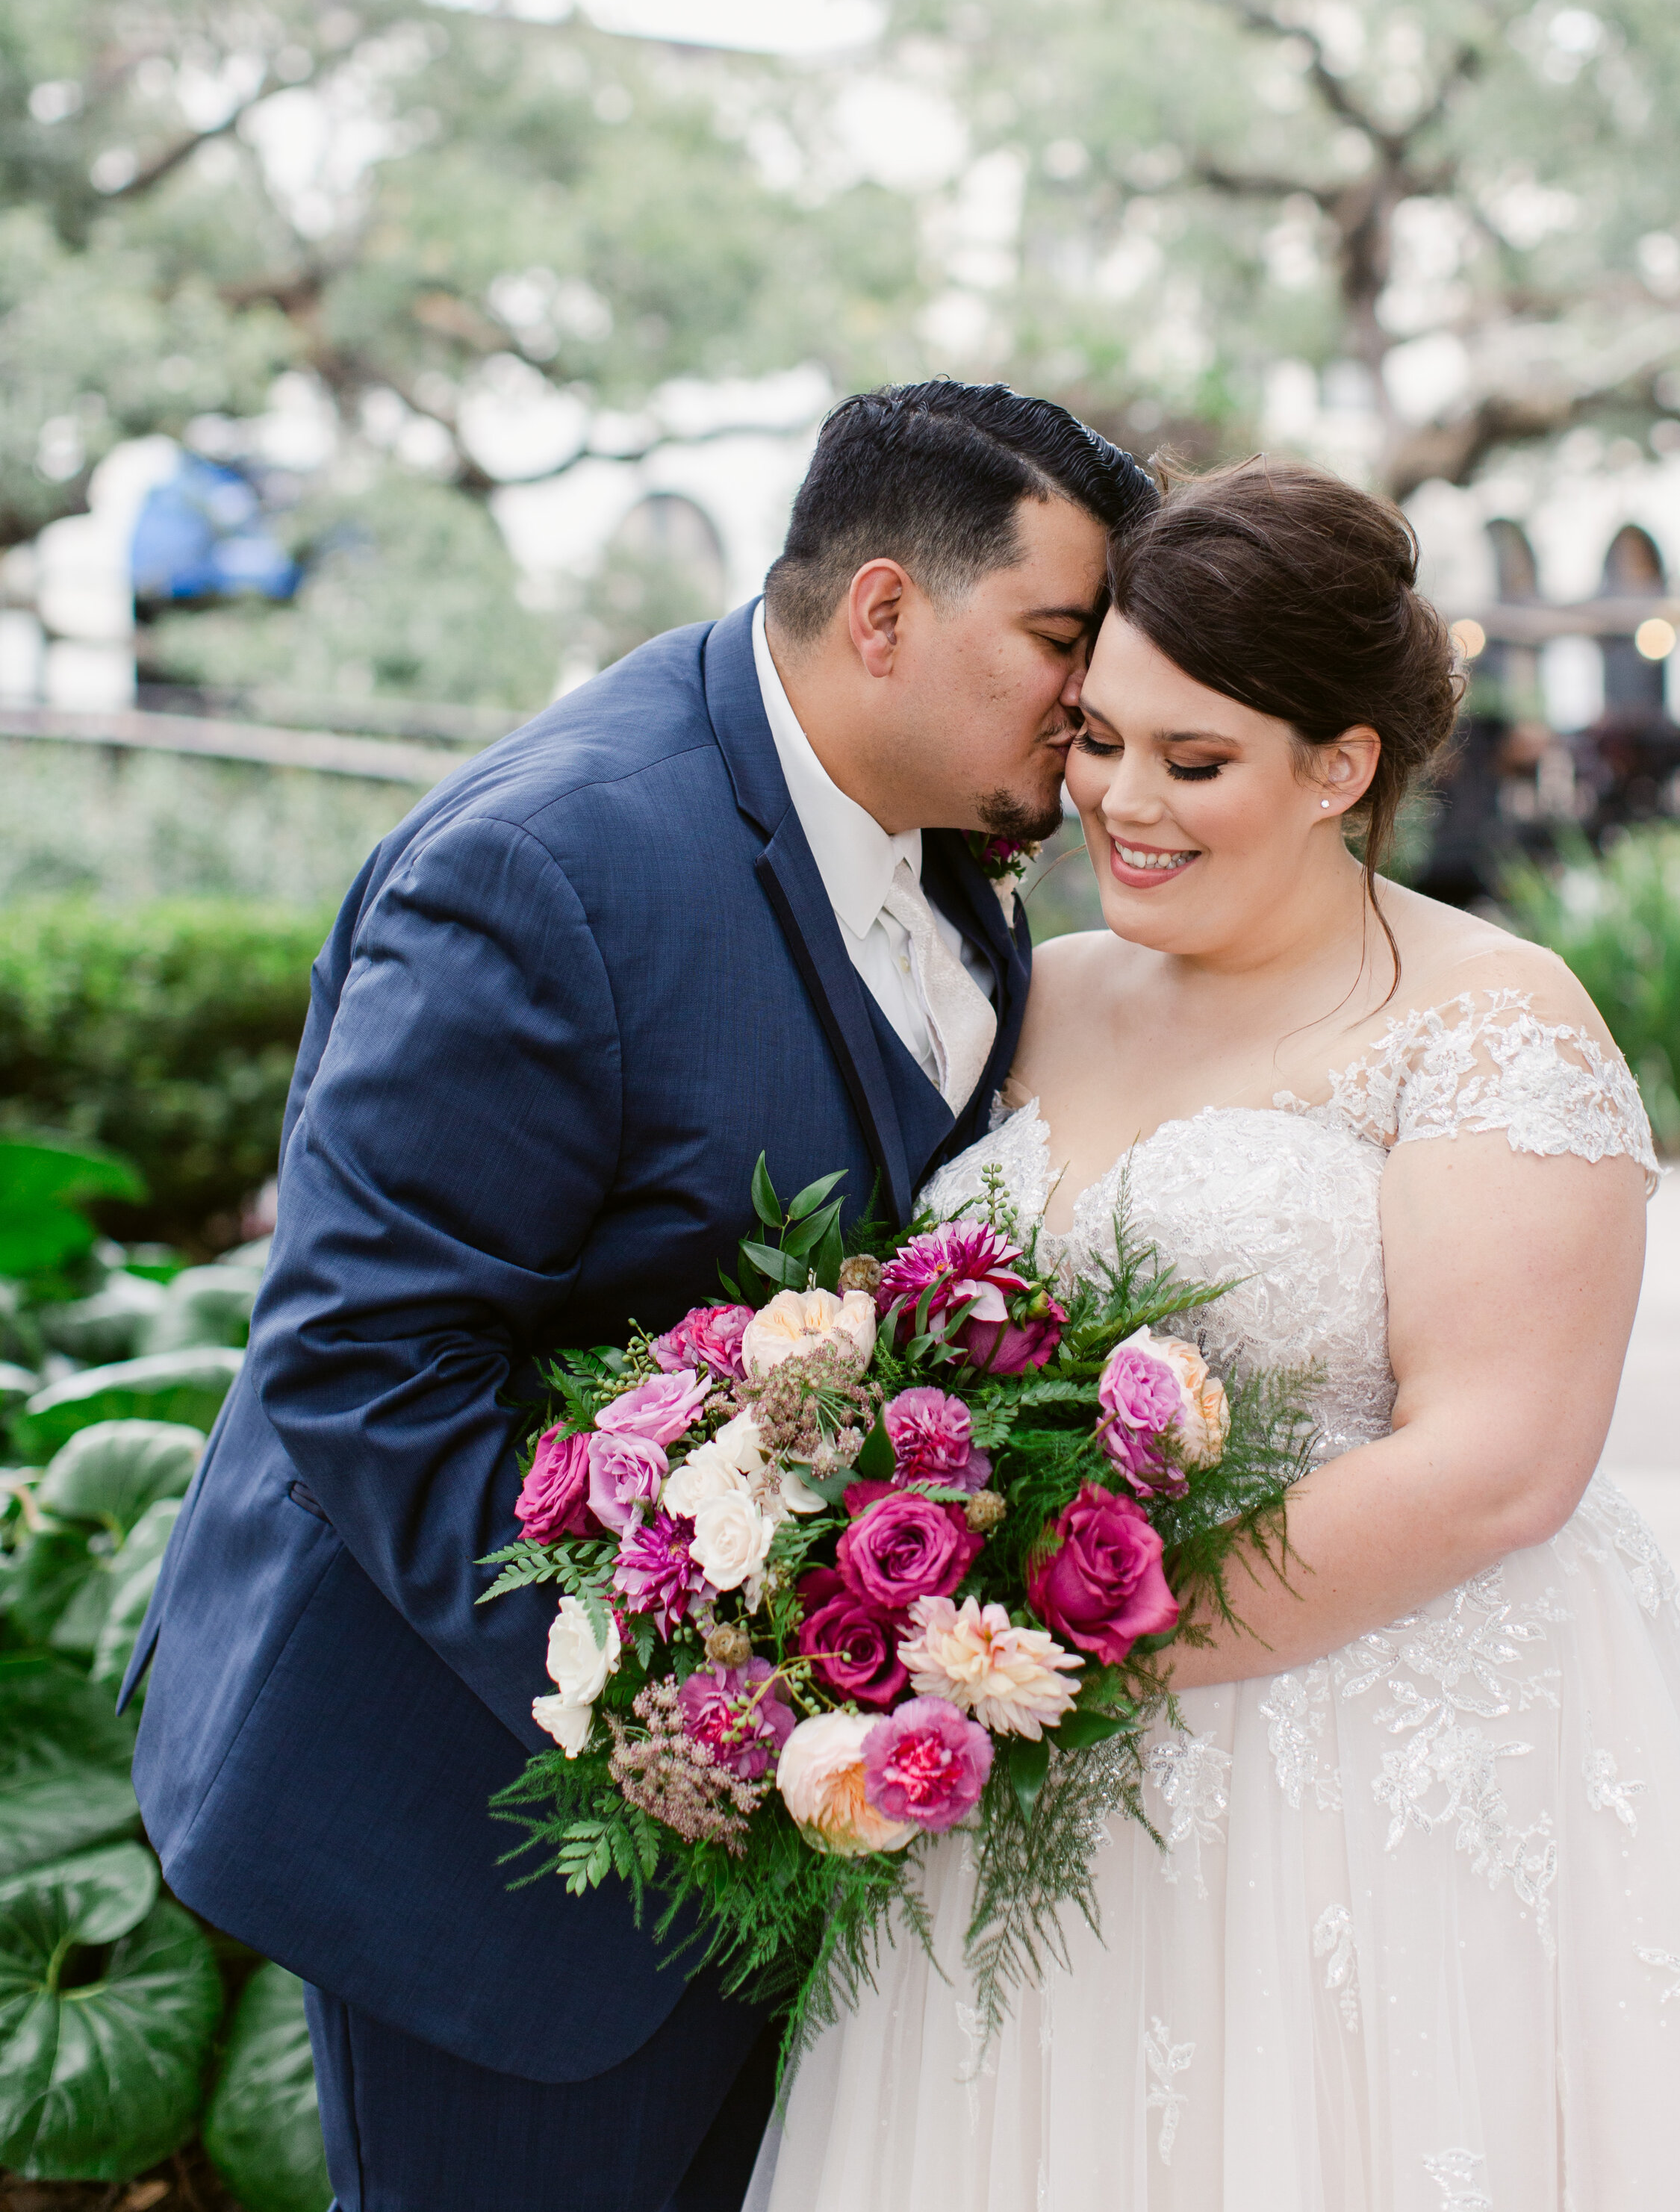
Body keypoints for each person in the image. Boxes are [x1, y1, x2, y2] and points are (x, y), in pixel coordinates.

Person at [752, 457, 1680, 2212]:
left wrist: (1074, 1648)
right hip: (1035, 1801)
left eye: (1194, 764)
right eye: (1098, 739)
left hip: (1374, 1778)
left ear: (1341, 767)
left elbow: (1501, 1461)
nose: (1122, 802)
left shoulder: (1488, 1021)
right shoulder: (1043, 988)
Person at [123, 378, 1155, 2212]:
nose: (1087, 705)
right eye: (1058, 638)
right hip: (489, 1837)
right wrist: (676, 1721)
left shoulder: (940, 842)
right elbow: (364, 1362)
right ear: (886, 613)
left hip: (790, 1826)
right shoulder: (546, 867)